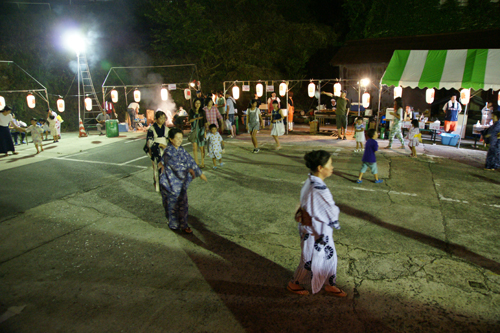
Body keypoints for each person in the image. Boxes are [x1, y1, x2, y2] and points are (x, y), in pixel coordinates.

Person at [287, 150, 346, 297]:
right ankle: (294, 283)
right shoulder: (318, 188)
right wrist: (334, 217)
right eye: (330, 164)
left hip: (317, 230)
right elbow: (330, 211)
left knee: (329, 257)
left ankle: (330, 284)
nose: (332, 167)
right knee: (309, 259)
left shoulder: (311, 180)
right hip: (313, 230)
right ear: (320, 168)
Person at [158, 128, 208, 233]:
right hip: (169, 184)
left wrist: (199, 173)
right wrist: (189, 170)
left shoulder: (181, 149)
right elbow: (177, 167)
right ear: (171, 139)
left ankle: (184, 224)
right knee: (171, 206)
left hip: (180, 184)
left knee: (183, 204)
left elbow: (190, 160)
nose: (180, 140)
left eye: (181, 138)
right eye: (178, 138)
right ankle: (174, 225)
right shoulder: (168, 151)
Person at [146, 111, 169, 191]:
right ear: (156, 119)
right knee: (157, 168)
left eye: (164, 118)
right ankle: (158, 185)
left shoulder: (166, 129)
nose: (163, 120)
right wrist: (160, 145)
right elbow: (149, 142)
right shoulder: (151, 129)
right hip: (156, 151)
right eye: (161, 118)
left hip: (165, 150)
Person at [188, 98, 207, 168]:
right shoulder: (191, 111)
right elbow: (189, 121)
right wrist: (196, 119)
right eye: (196, 103)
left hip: (201, 130)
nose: (197, 104)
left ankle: (202, 162)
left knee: (202, 148)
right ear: (194, 104)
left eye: (199, 103)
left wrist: (205, 131)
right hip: (194, 130)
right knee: (194, 147)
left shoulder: (203, 112)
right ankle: (196, 162)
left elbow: (205, 122)